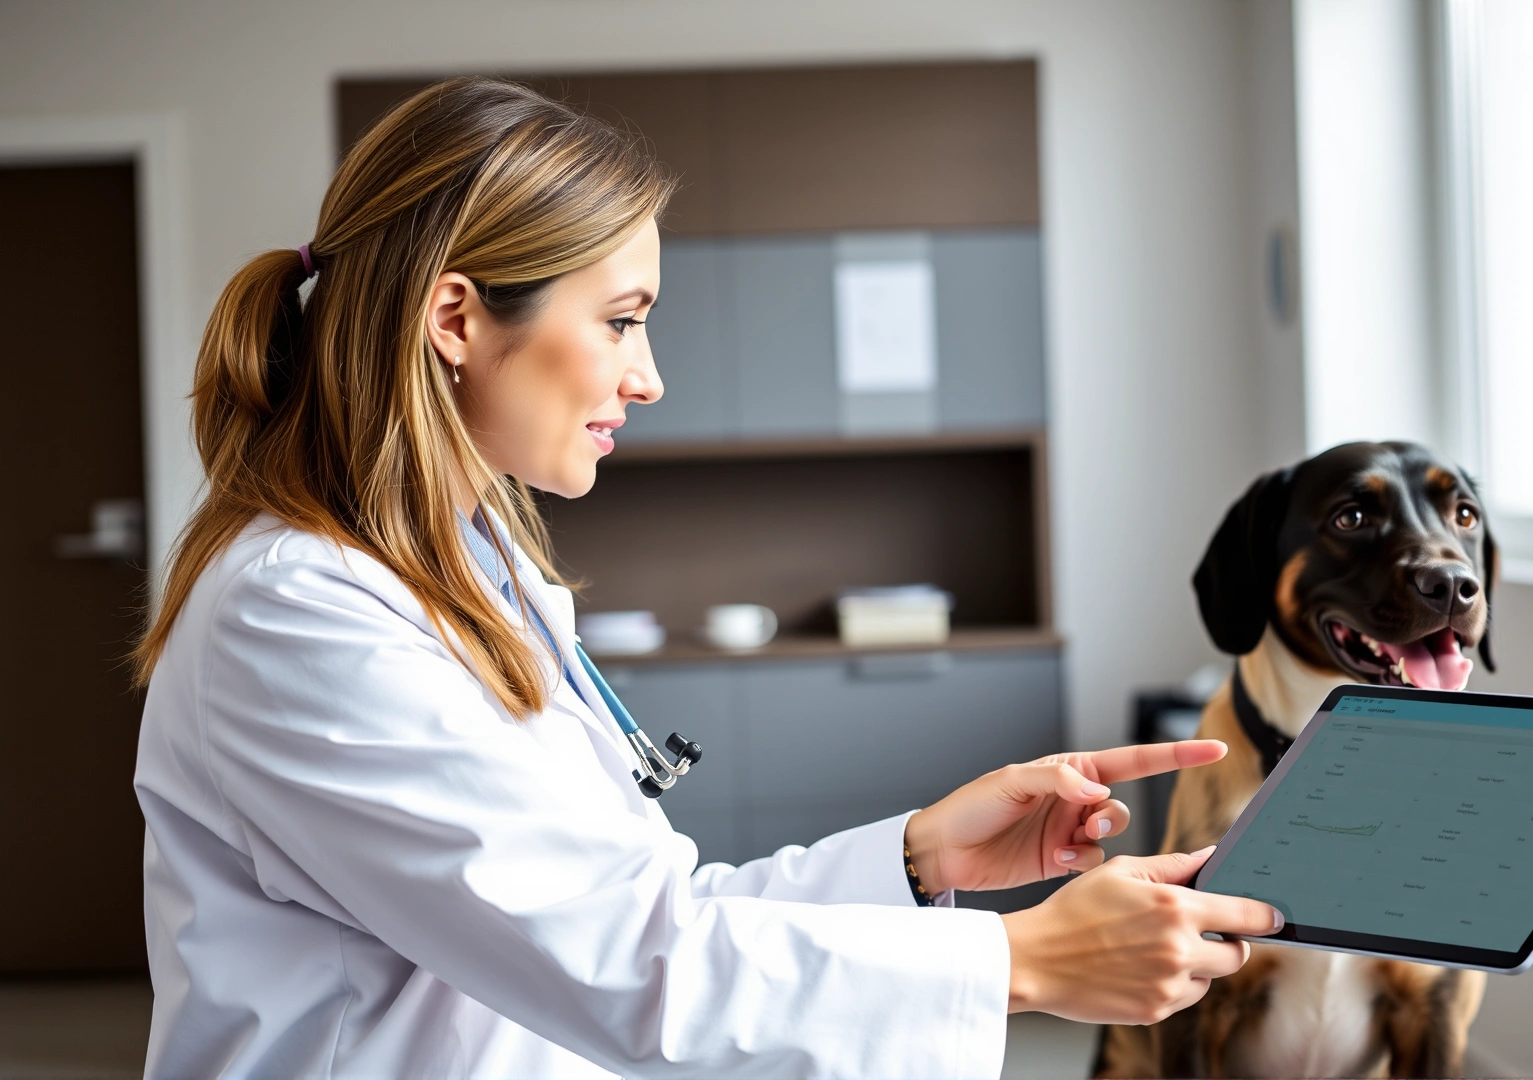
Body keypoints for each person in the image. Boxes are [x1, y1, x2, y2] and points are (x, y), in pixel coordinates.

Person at [131, 77, 1278, 1080]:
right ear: (455, 317)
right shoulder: (300, 617)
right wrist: (1021, 962)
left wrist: (919, 858)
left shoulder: (480, 577)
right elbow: (628, 970)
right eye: (623, 321)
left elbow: (645, 919)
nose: (650, 377)